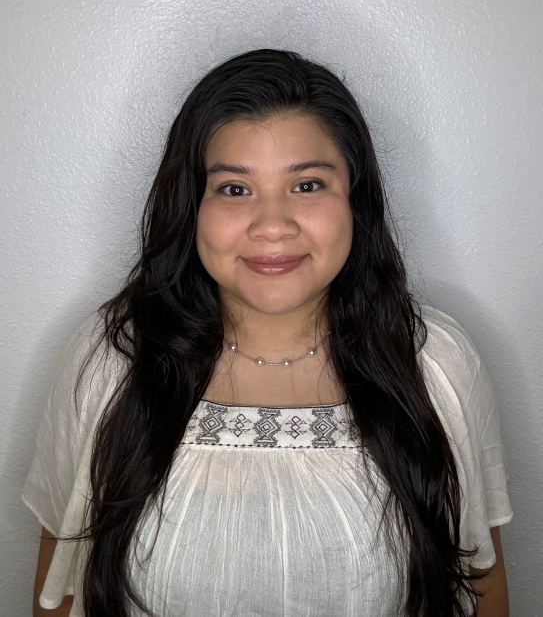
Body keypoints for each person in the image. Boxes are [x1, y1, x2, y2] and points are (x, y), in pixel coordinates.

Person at [22, 48, 513, 617]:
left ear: (355, 199)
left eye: (307, 185)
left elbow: (480, 582)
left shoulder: (437, 363)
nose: (273, 224)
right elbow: (58, 589)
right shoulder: (111, 361)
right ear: (191, 206)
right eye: (235, 188)